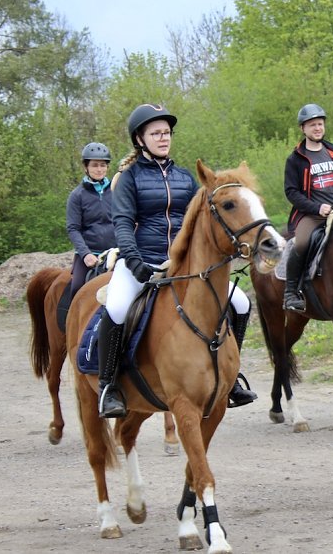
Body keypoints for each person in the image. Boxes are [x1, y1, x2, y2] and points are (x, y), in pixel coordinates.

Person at [97, 103, 256, 418]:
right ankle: (109, 386)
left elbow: (202, 223)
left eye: (166, 132)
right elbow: (123, 225)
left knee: (240, 303)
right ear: (140, 139)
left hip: (181, 266)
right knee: (115, 308)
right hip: (140, 262)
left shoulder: (184, 178)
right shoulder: (128, 179)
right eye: (155, 133)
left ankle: (231, 376)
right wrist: (134, 260)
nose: (163, 138)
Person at [282, 103, 333, 312]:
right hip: (311, 215)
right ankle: (291, 292)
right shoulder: (295, 159)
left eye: (320, 124)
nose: (317, 128)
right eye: (312, 125)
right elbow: (291, 192)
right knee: (301, 243)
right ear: (303, 128)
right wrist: (317, 208)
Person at [66, 142, 115, 298]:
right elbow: (73, 229)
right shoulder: (77, 195)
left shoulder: (116, 191)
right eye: (94, 165)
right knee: (76, 288)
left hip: (115, 253)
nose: (99, 169)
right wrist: (85, 254)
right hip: (90, 254)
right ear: (86, 167)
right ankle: (71, 322)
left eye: (103, 165)